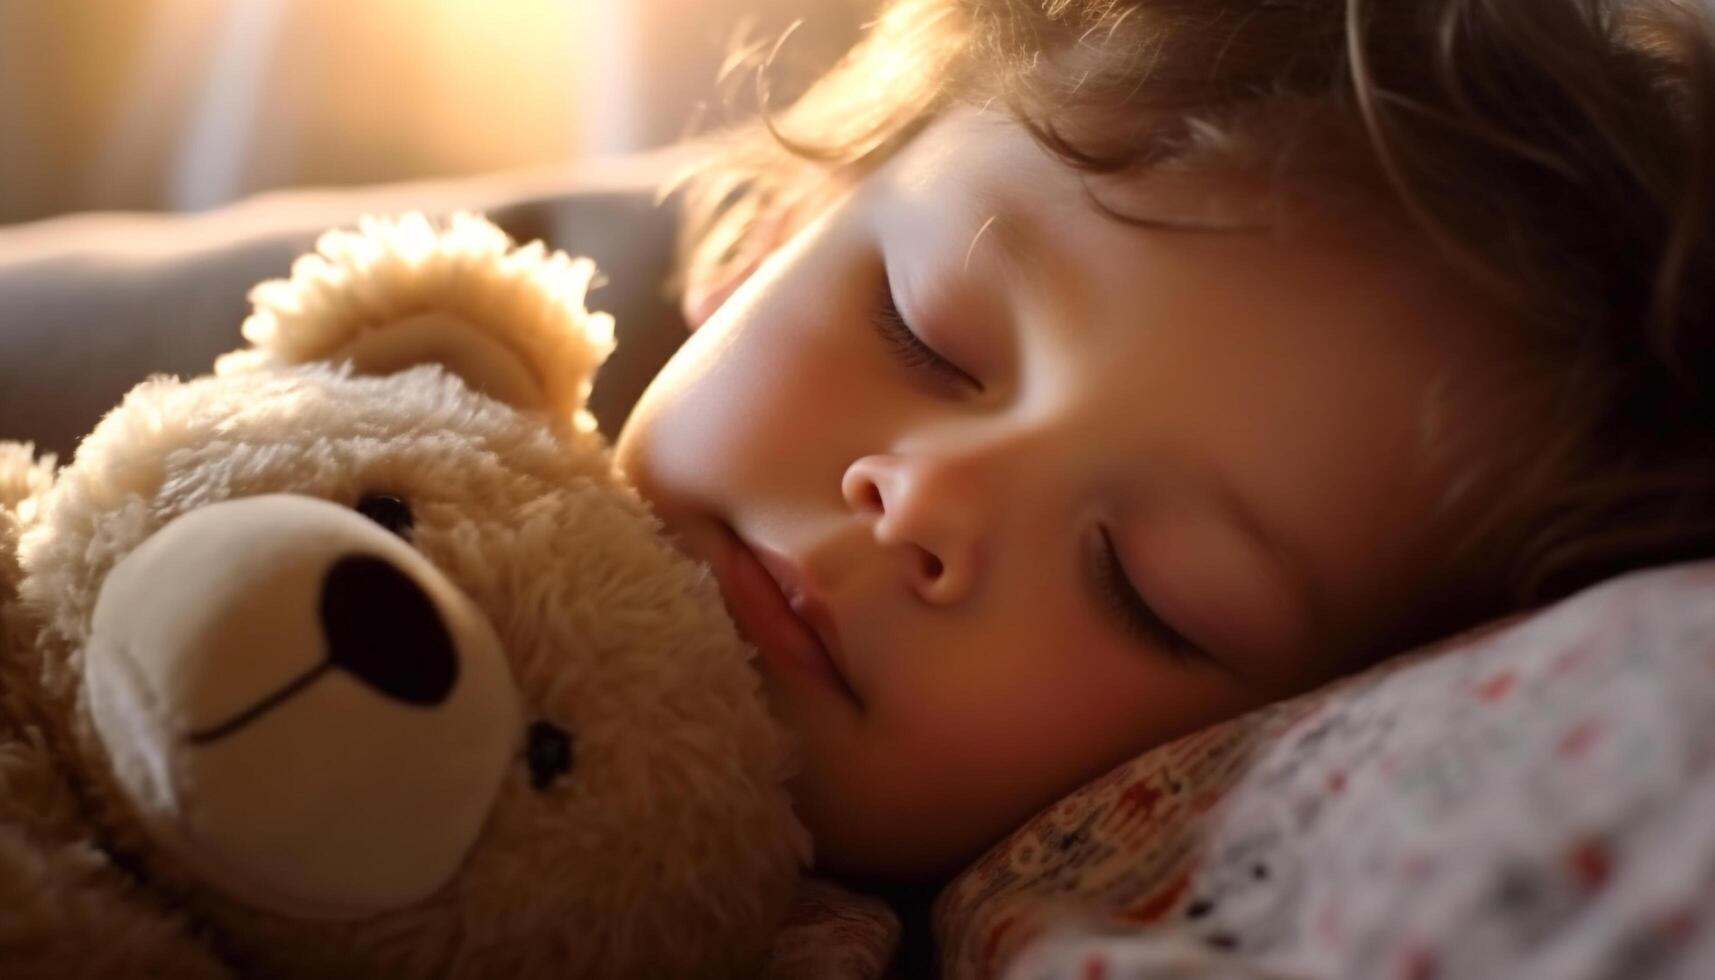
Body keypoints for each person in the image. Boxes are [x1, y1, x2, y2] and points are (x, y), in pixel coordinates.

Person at [613, 0, 1715, 882]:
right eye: (923, 333)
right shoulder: (459, 345)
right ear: (774, 228)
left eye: (1143, 585)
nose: (924, 500)